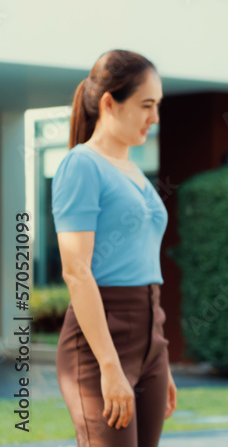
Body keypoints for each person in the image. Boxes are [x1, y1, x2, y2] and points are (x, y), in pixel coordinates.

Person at [52, 50, 176, 447]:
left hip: (149, 333)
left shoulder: (134, 170)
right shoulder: (82, 165)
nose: (154, 118)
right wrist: (109, 364)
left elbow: (143, 263)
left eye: (157, 106)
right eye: (146, 105)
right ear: (109, 103)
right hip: (100, 341)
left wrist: (160, 356)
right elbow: (76, 271)